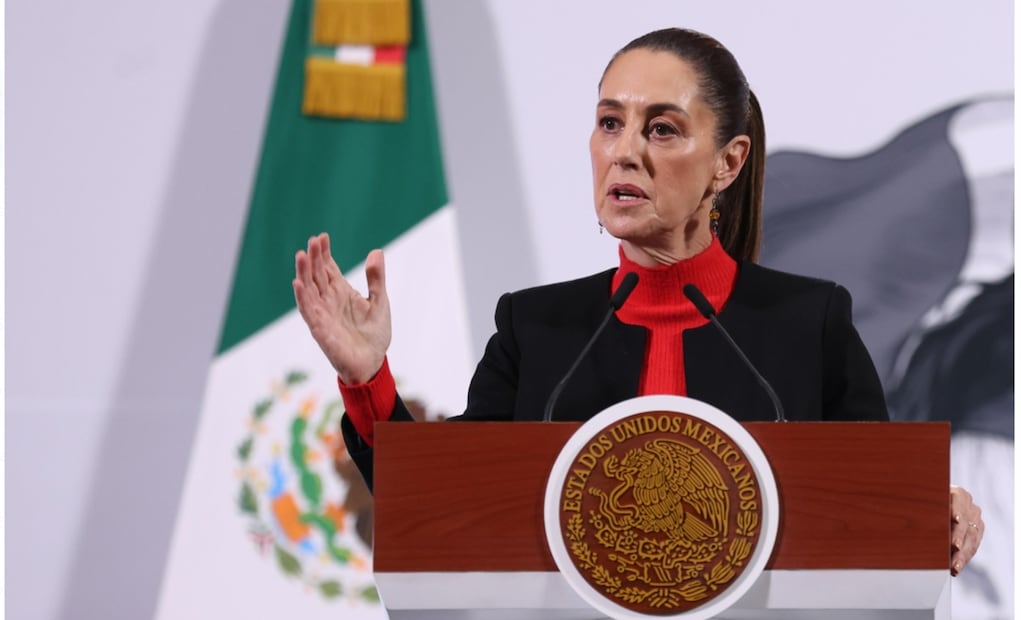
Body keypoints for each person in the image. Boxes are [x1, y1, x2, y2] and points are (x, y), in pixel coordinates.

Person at [292, 28, 984, 576]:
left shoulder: (808, 323)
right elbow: (441, 497)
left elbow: (875, 498)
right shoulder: (536, 330)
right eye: (608, 123)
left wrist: (932, 509)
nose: (623, 153)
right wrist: (366, 375)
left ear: (728, 162)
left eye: (660, 129)